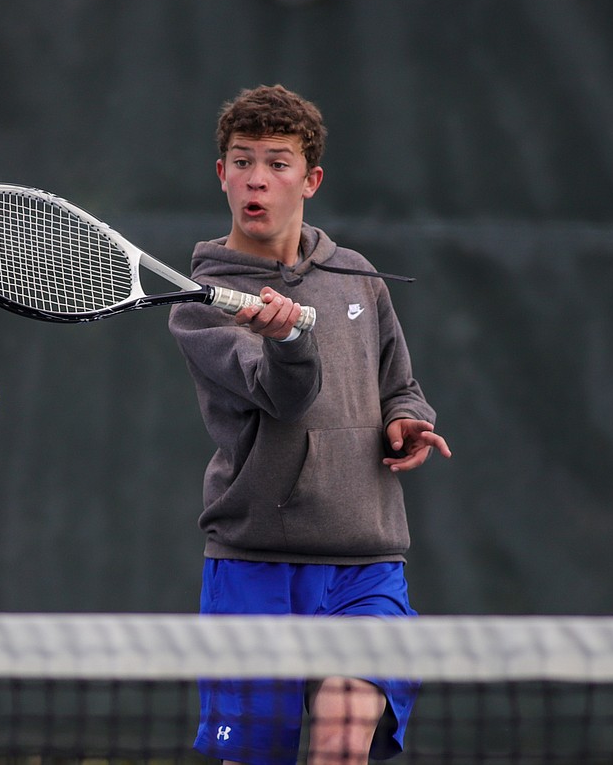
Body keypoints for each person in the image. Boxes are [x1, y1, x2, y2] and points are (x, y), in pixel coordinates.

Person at [167, 84, 452, 765]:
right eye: (242, 161)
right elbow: (283, 396)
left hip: (365, 569)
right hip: (254, 570)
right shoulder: (200, 307)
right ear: (221, 175)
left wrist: (407, 421)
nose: (256, 179)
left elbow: (398, 385)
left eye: (277, 162)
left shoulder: (357, 278)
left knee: (341, 743)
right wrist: (290, 340)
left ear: (310, 179)